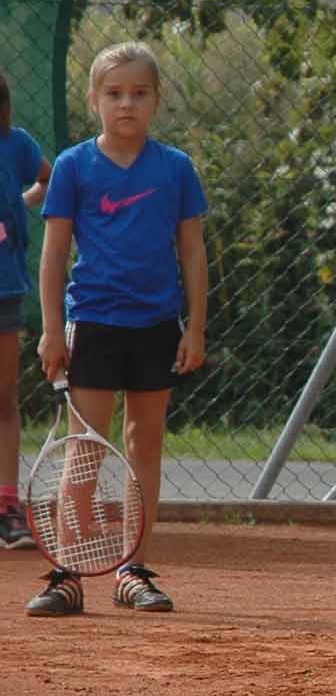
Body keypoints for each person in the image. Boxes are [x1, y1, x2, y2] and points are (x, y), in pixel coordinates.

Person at [27, 41, 208, 616]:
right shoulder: (74, 166)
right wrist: (52, 330)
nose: (126, 103)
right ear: (93, 100)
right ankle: (68, 573)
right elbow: (54, 254)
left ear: (156, 100)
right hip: (94, 322)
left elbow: (193, 251)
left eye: (138, 93)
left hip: (156, 325)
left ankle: (134, 569)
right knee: (85, 449)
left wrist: (195, 327)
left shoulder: (175, 168)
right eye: (114, 93)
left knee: (143, 446)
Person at [0, 70, 52, 549]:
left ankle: (6, 508)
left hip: (5, 290)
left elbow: (47, 177)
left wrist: (20, 203)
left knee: (4, 396)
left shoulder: (15, 145)